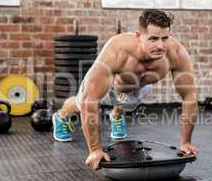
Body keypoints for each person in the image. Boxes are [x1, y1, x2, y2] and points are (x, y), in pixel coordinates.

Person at [52, 9, 199, 170]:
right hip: (112, 89)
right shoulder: (117, 50)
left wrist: (186, 142)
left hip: (140, 90)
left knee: (127, 104)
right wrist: (95, 150)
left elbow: (189, 97)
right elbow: (90, 101)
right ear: (138, 36)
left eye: (165, 38)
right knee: (80, 103)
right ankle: (61, 115)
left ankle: (116, 114)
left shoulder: (175, 52)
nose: (160, 46)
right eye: (153, 39)